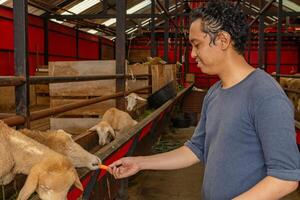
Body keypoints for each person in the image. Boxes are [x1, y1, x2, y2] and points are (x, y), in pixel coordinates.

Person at [108, 0, 300, 199]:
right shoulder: (215, 92)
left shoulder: (266, 95)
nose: (192, 54)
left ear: (223, 40)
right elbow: (195, 149)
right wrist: (140, 162)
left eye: (196, 44)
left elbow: (284, 178)